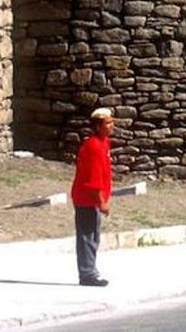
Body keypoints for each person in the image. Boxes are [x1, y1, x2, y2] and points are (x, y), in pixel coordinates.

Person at [71, 106, 114, 287]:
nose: (112, 125)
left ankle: (90, 269)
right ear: (98, 126)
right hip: (86, 197)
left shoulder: (104, 143)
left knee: (93, 235)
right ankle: (87, 273)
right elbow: (93, 178)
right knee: (87, 236)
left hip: (93, 198)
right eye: (108, 123)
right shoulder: (94, 147)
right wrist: (101, 201)